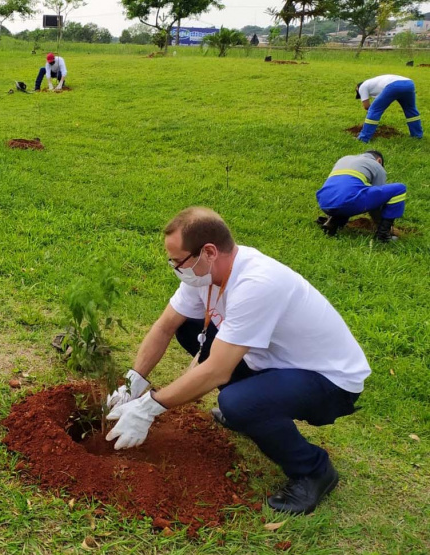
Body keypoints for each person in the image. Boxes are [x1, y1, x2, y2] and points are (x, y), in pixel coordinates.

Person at [105, 207, 369, 515]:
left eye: (178, 261)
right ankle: (253, 411)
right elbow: (165, 326)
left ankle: (313, 470)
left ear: (208, 252)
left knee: (237, 403)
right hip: (273, 363)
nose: (175, 268)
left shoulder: (257, 283)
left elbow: (217, 370)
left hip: (330, 381)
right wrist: (132, 382)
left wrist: (149, 408)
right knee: (189, 327)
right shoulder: (204, 276)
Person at [316, 151, 405, 243]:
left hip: (324, 202)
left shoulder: (344, 159)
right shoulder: (377, 165)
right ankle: (383, 235)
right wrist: (380, 223)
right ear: (379, 160)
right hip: (348, 202)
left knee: (349, 193)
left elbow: (341, 188)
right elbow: (378, 201)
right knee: (399, 188)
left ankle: (332, 222)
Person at [355, 75, 422, 142]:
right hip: (409, 83)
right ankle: (417, 135)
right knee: (410, 109)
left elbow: (366, 106)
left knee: (374, 110)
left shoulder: (362, 86)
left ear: (357, 88)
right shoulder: (374, 84)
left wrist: (370, 115)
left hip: (393, 85)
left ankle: (363, 138)